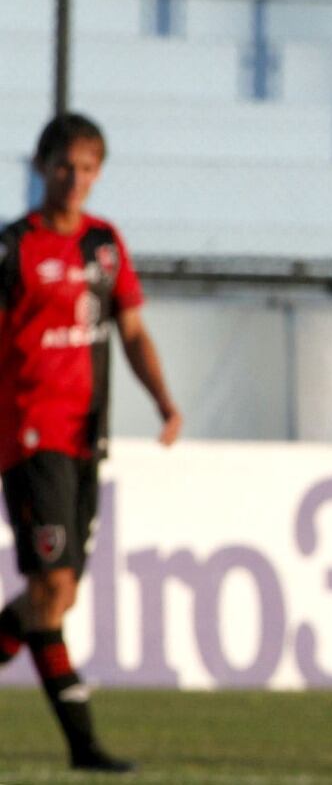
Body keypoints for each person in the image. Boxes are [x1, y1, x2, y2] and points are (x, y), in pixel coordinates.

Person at [0, 113, 182, 773]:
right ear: (41, 165)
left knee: (59, 594)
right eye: (62, 166)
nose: (74, 179)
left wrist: (163, 399)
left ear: (98, 172)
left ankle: (81, 746)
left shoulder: (105, 244)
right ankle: (83, 743)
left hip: (84, 437)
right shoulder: (13, 247)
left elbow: (131, 331)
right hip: (29, 434)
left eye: (86, 168)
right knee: (51, 582)